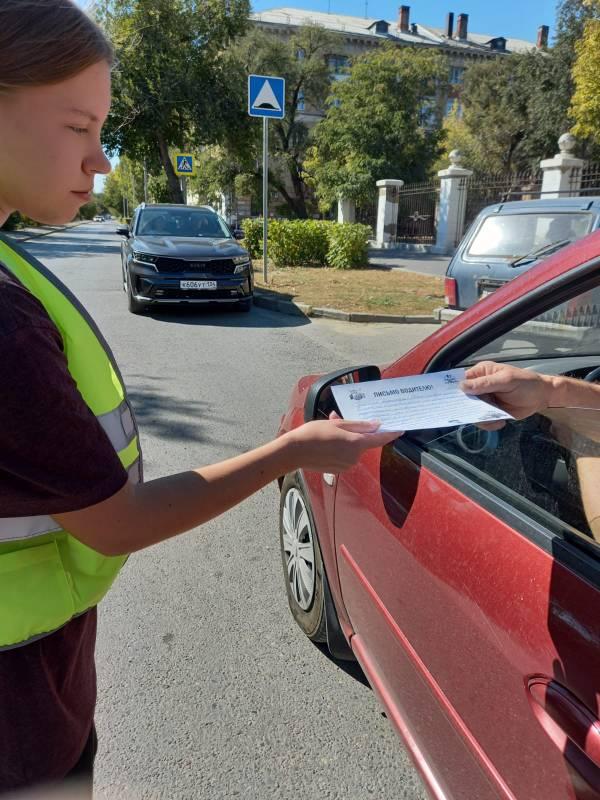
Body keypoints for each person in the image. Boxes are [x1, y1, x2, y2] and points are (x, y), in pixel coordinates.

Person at [0, 2, 398, 796]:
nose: (101, 161)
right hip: (19, 729)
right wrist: (289, 451)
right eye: (78, 127)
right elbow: (116, 524)